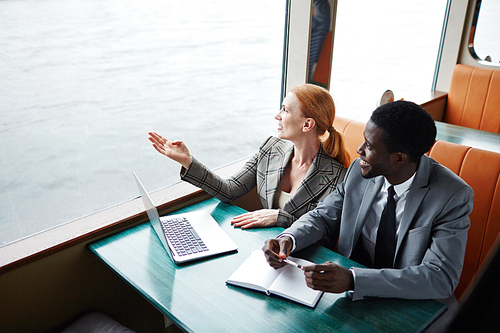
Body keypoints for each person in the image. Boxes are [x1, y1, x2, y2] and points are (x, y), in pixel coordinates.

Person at [262, 100, 473, 304]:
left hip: (414, 304)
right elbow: (323, 216)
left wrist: (354, 280)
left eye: (370, 146)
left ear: (399, 158)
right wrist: (289, 238)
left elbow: (441, 277)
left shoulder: (452, 196)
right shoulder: (357, 171)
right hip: (352, 297)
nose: (359, 150)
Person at [148, 84, 349, 232]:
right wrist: (187, 161)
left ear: (307, 125)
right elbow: (229, 190)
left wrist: (282, 218)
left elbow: (326, 235)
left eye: (285, 110)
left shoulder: (337, 177)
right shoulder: (271, 149)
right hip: (267, 248)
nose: (277, 116)